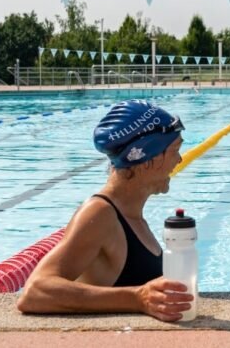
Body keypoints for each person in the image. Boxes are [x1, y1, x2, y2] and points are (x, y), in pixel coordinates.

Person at [17, 100, 194, 321]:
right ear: (148, 157)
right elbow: (36, 291)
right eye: (175, 150)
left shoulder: (131, 217)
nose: (179, 159)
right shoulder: (100, 213)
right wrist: (137, 299)